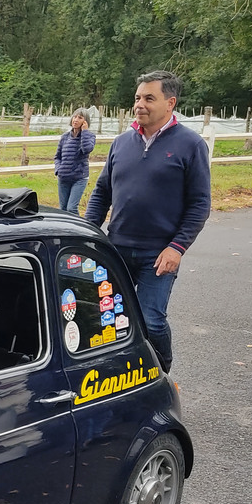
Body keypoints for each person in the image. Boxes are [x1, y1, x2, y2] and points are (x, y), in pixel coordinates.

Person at [85, 70, 210, 372]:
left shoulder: (191, 145)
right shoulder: (121, 143)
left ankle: (160, 375)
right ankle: (119, 373)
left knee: (151, 321)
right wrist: (87, 231)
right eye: (138, 98)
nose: (140, 104)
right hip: (116, 248)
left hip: (159, 254)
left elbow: (199, 204)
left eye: (149, 98)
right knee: (108, 316)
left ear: (170, 103)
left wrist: (177, 248)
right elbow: (102, 192)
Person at [54, 108, 96, 213]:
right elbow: (57, 157)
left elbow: (87, 149)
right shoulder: (65, 137)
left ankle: (77, 224)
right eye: (75, 117)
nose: (76, 120)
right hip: (64, 177)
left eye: (80, 118)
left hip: (79, 178)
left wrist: (85, 132)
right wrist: (58, 169)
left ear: (85, 122)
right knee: (63, 209)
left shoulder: (90, 136)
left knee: (71, 208)